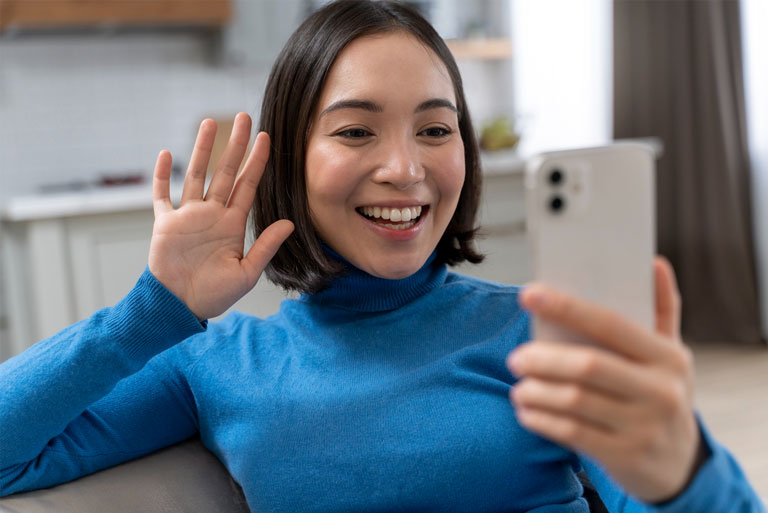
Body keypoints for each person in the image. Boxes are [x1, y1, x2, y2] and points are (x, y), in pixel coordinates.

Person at [0, 1, 764, 511]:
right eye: (357, 131)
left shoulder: (540, 333)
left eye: (436, 129)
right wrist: (150, 309)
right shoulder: (216, 360)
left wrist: (683, 467)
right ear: (290, 161)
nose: (406, 168)